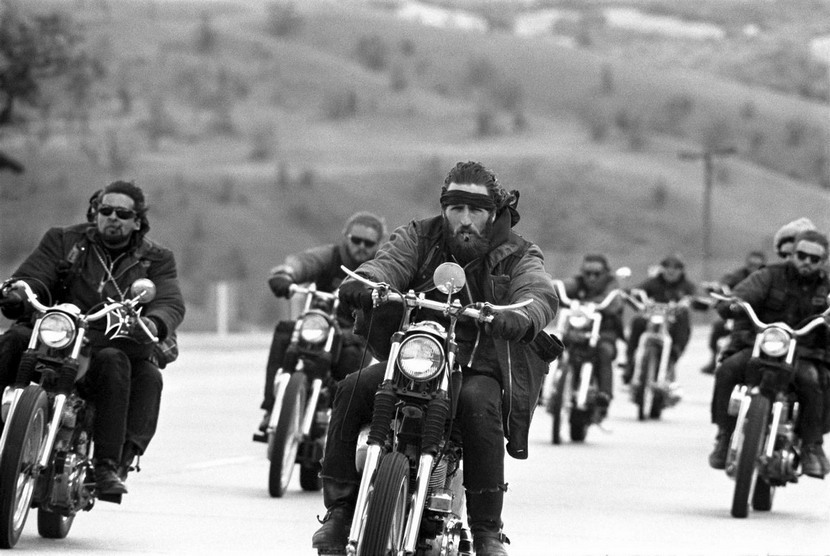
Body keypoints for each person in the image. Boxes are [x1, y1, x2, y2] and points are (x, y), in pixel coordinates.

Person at [310, 161, 559, 556]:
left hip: (477, 365)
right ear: (444, 209)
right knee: (352, 387)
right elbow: (389, 262)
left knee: (480, 404)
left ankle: (487, 532)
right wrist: (369, 282)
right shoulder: (419, 235)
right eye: (456, 208)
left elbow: (538, 290)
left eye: (475, 210)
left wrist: (522, 315)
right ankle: (338, 514)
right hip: (415, 356)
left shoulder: (519, 253)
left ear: (493, 212)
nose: (465, 219)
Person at [0, 180, 185, 496]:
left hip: (111, 341)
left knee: (119, 364)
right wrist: (19, 294)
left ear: (137, 221)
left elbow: (169, 301)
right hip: (59, 332)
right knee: (15, 339)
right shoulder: (63, 240)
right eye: (106, 210)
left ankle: (106, 465)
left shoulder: (156, 259)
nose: (113, 218)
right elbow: (35, 277)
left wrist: (154, 322)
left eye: (123, 214)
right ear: (95, 212)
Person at [707, 229, 830, 477]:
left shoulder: (826, 286)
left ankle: (811, 447)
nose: (806, 262)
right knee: (727, 370)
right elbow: (743, 295)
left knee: (812, 382)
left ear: (823, 262)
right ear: (792, 254)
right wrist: (733, 303)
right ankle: (724, 435)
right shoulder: (769, 276)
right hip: (761, 346)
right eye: (801, 255)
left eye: (814, 259)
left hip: (804, 352)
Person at [258, 211, 386, 432]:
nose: (361, 247)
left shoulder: (381, 266)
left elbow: (395, 281)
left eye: (368, 243)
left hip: (355, 332)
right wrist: (287, 274)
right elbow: (305, 263)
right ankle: (271, 407)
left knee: (352, 362)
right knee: (285, 333)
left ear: (378, 244)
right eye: (356, 240)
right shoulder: (331, 256)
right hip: (319, 323)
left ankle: (338, 422)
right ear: (346, 237)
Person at [558, 254, 625, 415]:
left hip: (604, 331)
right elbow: (564, 287)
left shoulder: (612, 286)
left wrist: (597, 304)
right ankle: (543, 386)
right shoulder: (578, 283)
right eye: (587, 273)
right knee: (554, 345)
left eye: (597, 274)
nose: (591, 278)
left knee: (604, 351)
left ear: (606, 273)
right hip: (578, 329)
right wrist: (548, 287)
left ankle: (604, 394)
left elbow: (615, 301)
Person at [622, 254, 697, 387]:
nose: (671, 271)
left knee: (683, 322)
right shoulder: (653, 282)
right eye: (667, 267)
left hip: (674, 324)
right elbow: (638, 292)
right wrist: (629, 293)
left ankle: (671, 360)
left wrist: (692, 302)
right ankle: (630, 361)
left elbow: (697, 299)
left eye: (675, 268)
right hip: (652, 320)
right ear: (662, 269)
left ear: (681, 270)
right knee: (638, 321)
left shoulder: (687, 286)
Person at [700, 251, 766, 375]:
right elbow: (725, 284)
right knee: (718, 327)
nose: (754, 267)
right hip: (739, 316)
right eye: (751, 264)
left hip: (762, 319)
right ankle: (714, 359)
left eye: (757, 265)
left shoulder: (768, 277)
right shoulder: (738, 276)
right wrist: (719, 289)